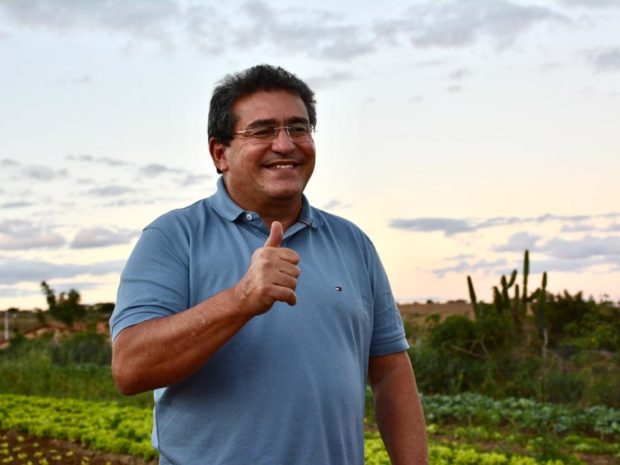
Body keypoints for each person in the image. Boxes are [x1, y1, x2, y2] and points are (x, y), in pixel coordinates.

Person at [110, 64, 428, 465]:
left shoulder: (353, 243)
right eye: (262, 131)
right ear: (220, 154)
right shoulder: (174, 237)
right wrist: (240, 300)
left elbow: (390, 370)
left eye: (298, 128)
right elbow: (130, 368)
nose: (285, 144)